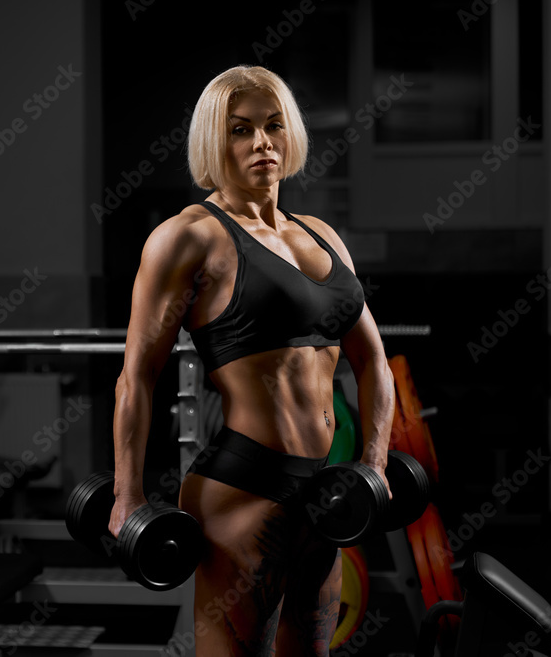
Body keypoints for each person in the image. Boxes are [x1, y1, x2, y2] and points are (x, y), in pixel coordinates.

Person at [108, 65, 395, 656]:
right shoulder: (188, 238)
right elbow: (138, 375)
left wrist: (374, 465)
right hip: (243, 489)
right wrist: (127, 495)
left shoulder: (320, 236)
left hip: (324, 493)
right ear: (215, 142)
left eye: (273, 125)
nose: (262, 142)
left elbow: (374, 363)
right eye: (241, 129)